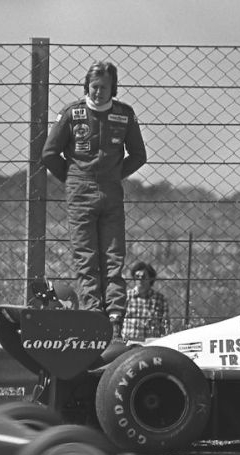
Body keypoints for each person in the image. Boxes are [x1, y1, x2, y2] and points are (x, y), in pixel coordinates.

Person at [41, 61, 148, 339]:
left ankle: (115, 320)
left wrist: (113, 174)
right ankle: (93, 316)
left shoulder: (124, 115)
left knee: (113, 257)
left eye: (104, 87)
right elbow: (49, 154)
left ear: (114, 88)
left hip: (111, 194)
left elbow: (139, 155)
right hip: (80, 194)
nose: (99, 92)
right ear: (86, 87)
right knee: (86, 259)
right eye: (94, 87)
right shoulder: (72, 114)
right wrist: (73, 178)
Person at [122, 261, 170, 341]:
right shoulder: (126, 297)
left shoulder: (160, 299)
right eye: (137, 276)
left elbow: (165, 324)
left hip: (151, 343)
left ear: (151, 279)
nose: (140, 279)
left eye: (143, 276)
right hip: (129, 342)